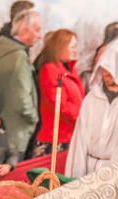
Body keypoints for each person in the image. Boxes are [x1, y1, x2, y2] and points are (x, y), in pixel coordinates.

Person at [66, 35, 118, 178]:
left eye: (114, 68)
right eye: (105, 67)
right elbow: (79, 141)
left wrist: (108, 179)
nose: (107, 73)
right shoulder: (91, 99)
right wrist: (73, 179)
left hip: (113, 174)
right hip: (86, 172)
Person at [0, 9, 43, 160]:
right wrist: (34, 119)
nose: (39, 35)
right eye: (37, 30)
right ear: (24, 30)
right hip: (17, 133)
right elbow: (21, 98)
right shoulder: (19, 57)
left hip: (0, 129)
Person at [34, 29, 85, 157]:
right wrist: (81, 116)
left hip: (71, 135)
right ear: (60, 47)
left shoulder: (69, 71)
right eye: (72, 46)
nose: (75, 50)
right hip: (57, 138)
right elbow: (59, 105)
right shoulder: (50, 70)